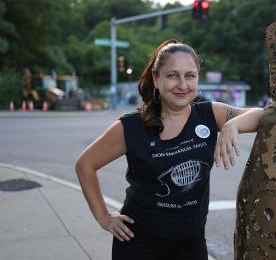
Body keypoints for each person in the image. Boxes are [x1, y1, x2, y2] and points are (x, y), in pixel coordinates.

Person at [75, 39, 263, 260]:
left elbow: (264, 115)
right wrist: (103, 216)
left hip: (190, 245)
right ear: (156, 79)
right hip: (138, 244)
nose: (182, 85)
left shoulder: (210, 114)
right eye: (173, 75)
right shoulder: (131, 127)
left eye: (190, 76)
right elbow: (85, 165)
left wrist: (233, 125)